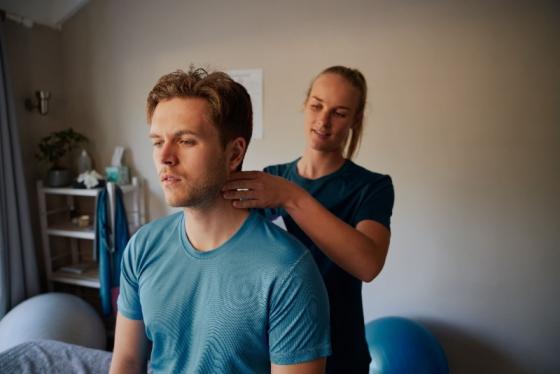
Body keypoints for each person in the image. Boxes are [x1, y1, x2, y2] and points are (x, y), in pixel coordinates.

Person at [110, 67, 331, 373]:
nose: (165, 157)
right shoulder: (142, 248)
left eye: (185, 141)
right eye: (158, 142)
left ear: (234, 153)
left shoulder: (287, 271)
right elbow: (128, 361)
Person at [222, 66, 394, 373]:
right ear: (305, 105)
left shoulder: (371, 186)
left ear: (356, 119)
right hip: (276, 351)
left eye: (339, 113)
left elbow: (368, 263)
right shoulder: (270, 178)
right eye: (316, 106)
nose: (323, 121)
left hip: (341, 352)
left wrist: (292, 197)